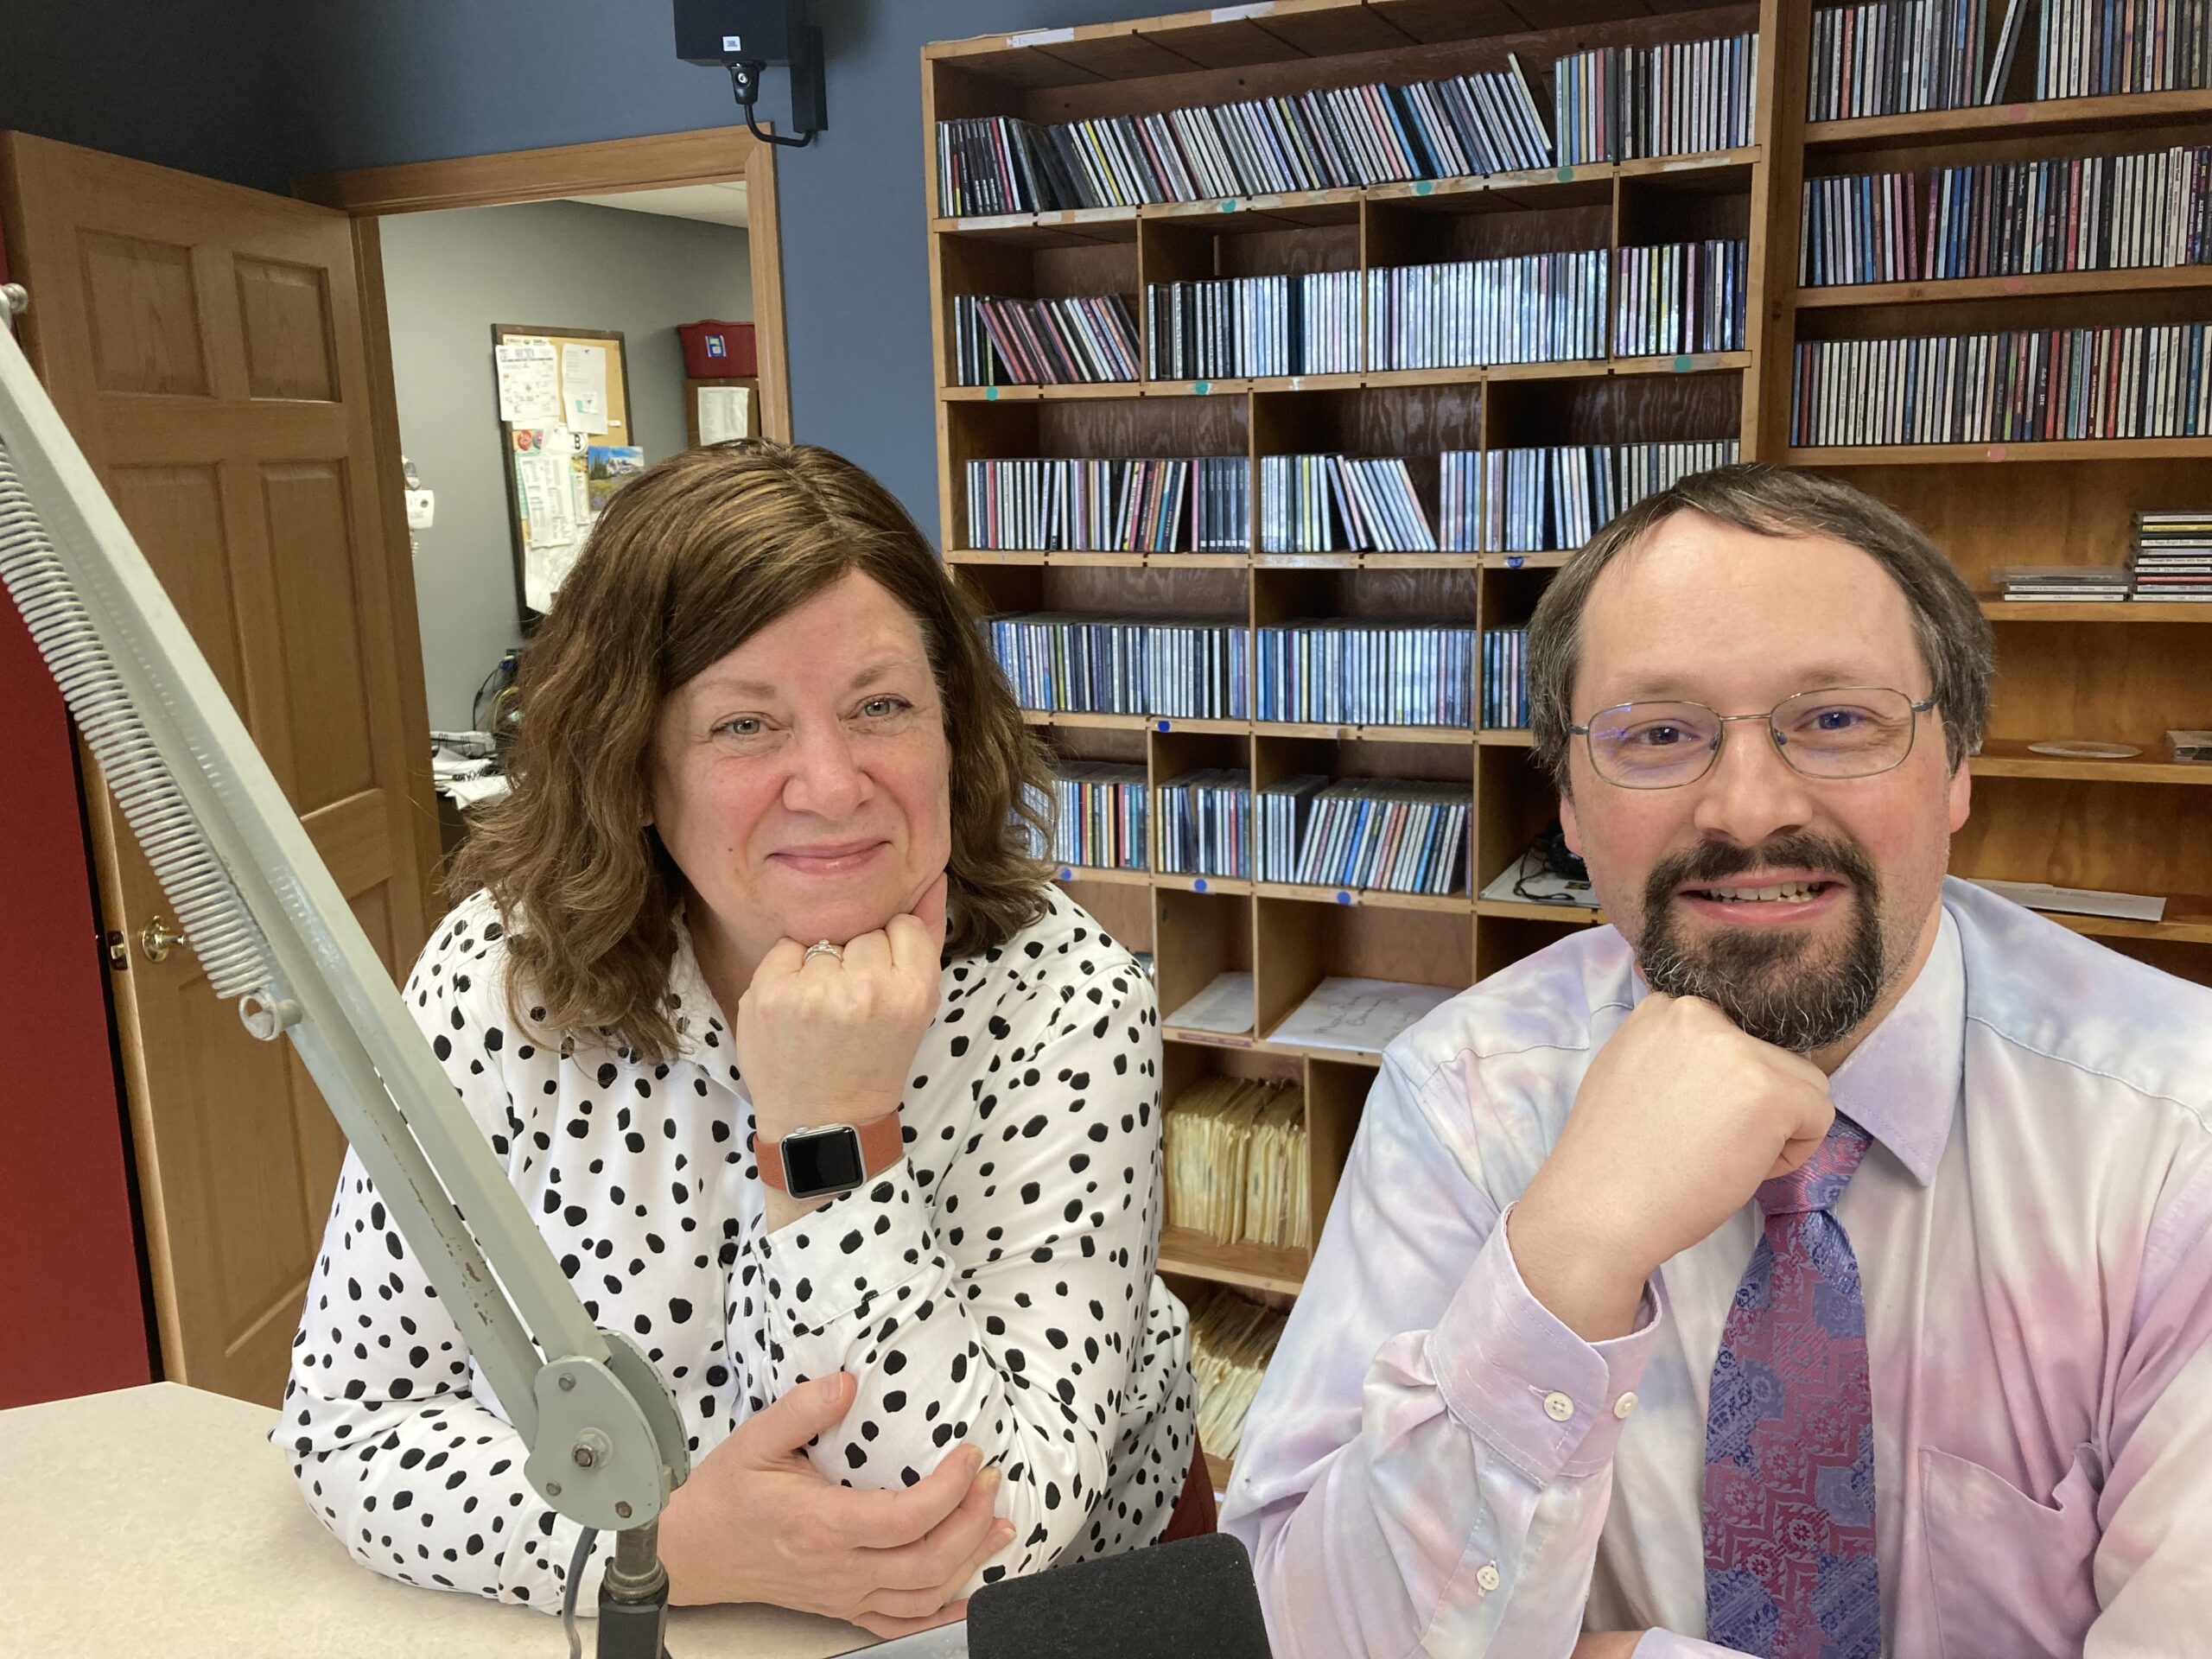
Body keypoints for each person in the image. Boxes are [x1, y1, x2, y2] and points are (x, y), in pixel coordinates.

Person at [1222, 465, 2212, 1657]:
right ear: (1569, 807)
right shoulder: (1467, 1096)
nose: (1747, 810)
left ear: (1956, 767)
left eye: (1836, 720)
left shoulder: (2178, 1136)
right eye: (1659, 734)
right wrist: (1565, 1260)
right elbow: (1293, 1629)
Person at [276, 441, 1198, 1637]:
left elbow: (976, 1548)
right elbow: (353, 1425)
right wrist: (662, 1547)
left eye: (880, 706)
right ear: (631, 768)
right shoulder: (498, 979)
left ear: (950, 727)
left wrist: (833, 1136)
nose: (832, 783)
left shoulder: (1066, 999)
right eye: (744, 725)